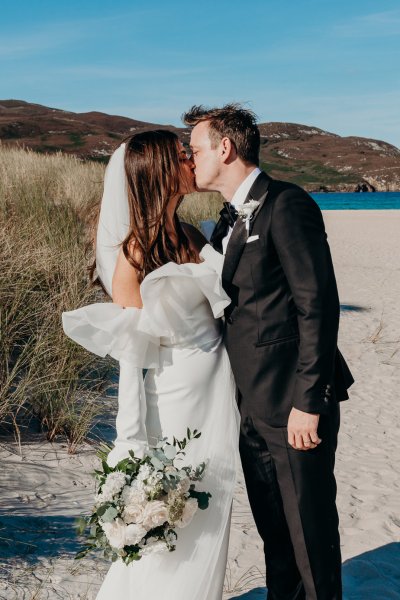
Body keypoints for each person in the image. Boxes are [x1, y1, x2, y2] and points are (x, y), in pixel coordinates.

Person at [183, 104, 354, 600]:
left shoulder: (286, 204)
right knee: (276, 541)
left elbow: (317, 305)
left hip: (293, 406)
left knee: (310, 539)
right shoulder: (226, 218)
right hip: (250, 409)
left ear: (225, 148)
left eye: (196, 150)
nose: (191, 160)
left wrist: (308, 401)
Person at [62, 130, 240, 600]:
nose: (191, 161)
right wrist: (130, 439)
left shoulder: (188, 233)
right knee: (176, 515)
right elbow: (132, 356)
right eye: (182, 156)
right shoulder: (134, 253)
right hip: (176, 401)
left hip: (216, 395)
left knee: (211, 507)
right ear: (162, 171)